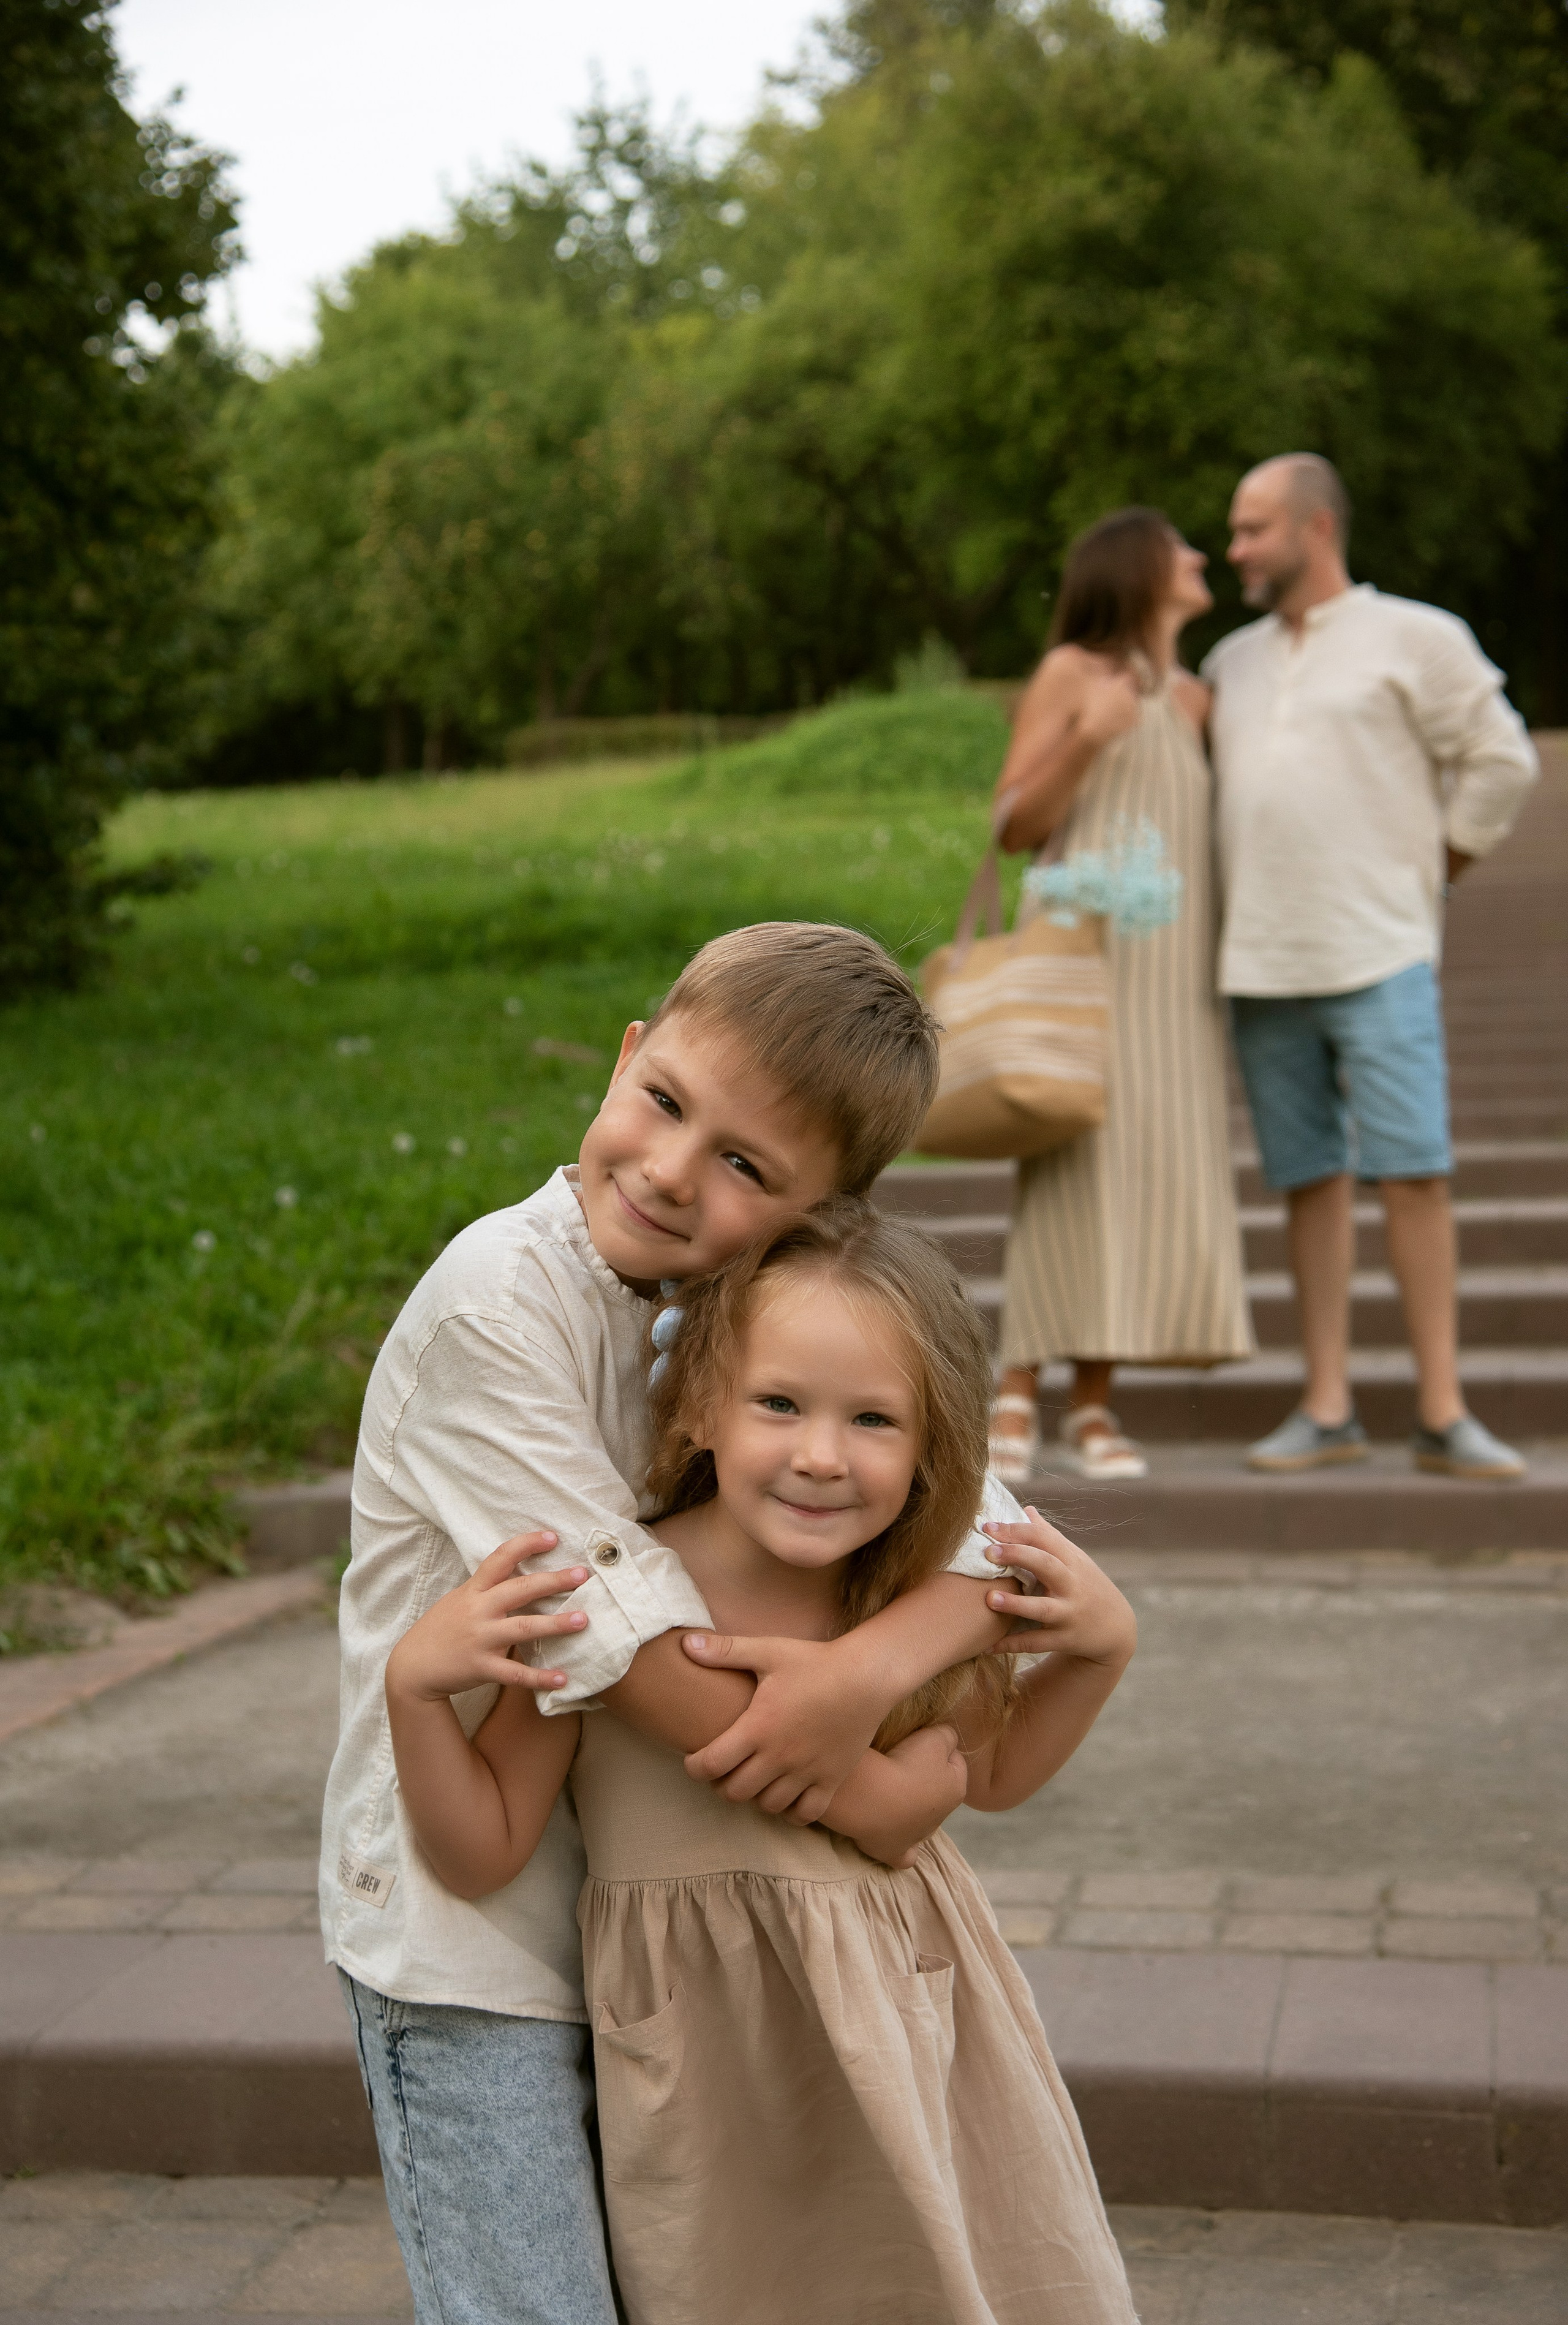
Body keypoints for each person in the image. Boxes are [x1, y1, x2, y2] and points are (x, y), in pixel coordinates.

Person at [321, 922, 1029, 2325]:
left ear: (824, 1216)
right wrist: (860, 1775)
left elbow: (995, 1537)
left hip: (661, 1934)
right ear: (629, 1053)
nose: (667, 1170)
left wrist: (875, 1667)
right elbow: (625, 1648)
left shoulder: (757, 1316)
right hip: (482, 1939)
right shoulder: (496, 1306)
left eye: (746, 1167)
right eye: (664, 1104)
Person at [386, 1198, 1139, 2325]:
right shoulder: (611, 1605)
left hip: (908, 2036)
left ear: (936, 1446)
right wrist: (413, 1692)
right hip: (712, 2071)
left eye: (875, 1421)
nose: (821, 1457)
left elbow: (997, 1771)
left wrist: (1102, 1650)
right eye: (779, 1404)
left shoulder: (898, 1607)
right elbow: (481, 1848)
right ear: (700, 1407)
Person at [1205, 454, 1539, 1478]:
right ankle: (1328, 1406)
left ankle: (1442, 1412)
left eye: (1253, 527)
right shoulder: (1230, 662)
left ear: (1314, 529)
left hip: (1381, 953)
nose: (1236, 549)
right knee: (1308, 1184)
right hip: (1260, 961)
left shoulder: (1416, 636)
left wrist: (1437, 865)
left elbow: (1503, 757)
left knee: (1415, 1177)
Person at [988, 507, 1253, 1485]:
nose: (1198, 559)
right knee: (1072, 1159)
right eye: (1181, 548)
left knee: (1147, 1167)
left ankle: (1094, 1404)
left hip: (1178, 975)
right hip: (1087, 956)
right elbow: (1015, 823)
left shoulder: (1193, 701)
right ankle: (1016, 1386)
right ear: (1139, 573)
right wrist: (1088, 740)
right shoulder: (1075, 677)